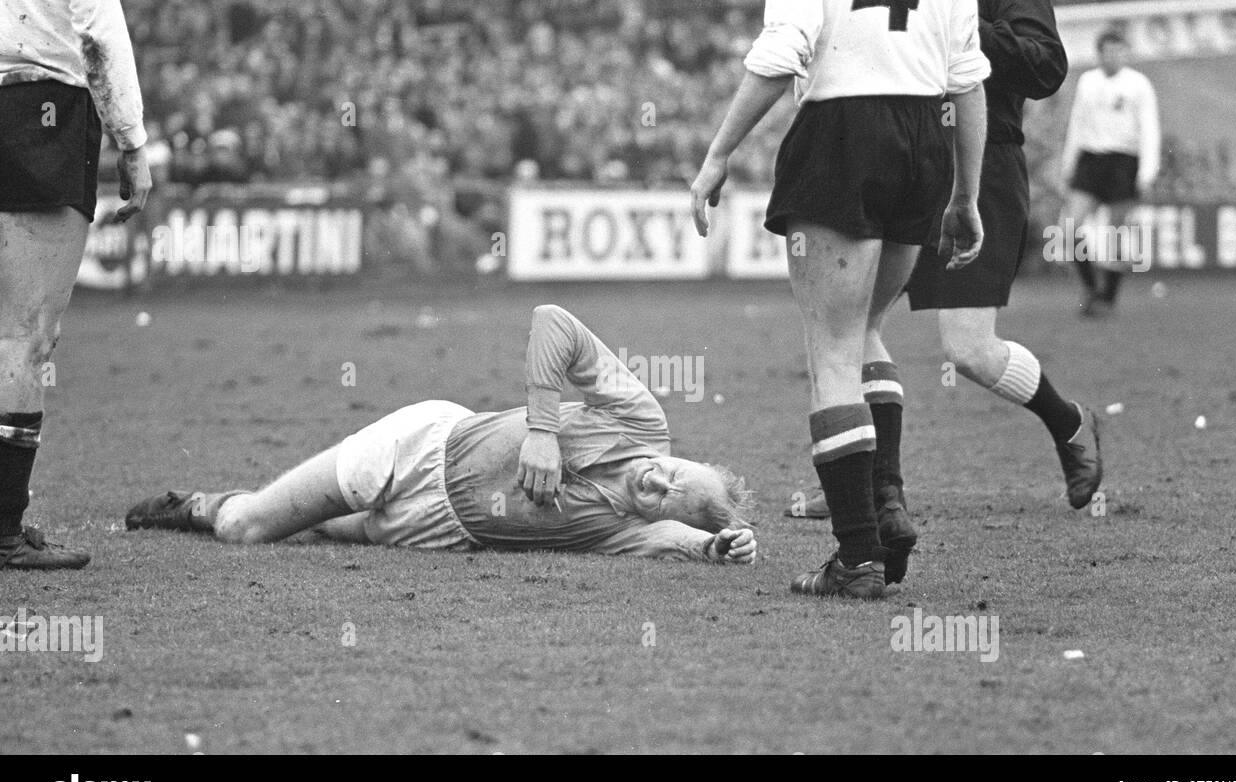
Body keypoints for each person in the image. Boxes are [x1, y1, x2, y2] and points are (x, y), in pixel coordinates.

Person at [784, 0, 1102, 590]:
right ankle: (882, 499)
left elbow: (1046, 65)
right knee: (856, 330)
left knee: (969, 348)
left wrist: (956, 29)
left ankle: (1070, 422)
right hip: (907, 148)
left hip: (981, 161)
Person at [691, 0, 990, 598]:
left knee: (832, 352)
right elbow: (968, 81)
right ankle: (886, 504)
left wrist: (718, 154)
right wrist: (966, 197)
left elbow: (780, 55)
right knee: (867, 329)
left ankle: (857, 556)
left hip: (843, 135)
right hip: (925, 141)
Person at [125, 305, 758, 565]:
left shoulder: (640, 532)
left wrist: (723, 547)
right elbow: (553, 323)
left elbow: (687, 541)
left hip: (441, 531)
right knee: (249, 531)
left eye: (666, 491)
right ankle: (201, 507)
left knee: (317, 529)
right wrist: (543, 431)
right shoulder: (643, 423)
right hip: (422, 446)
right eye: (676, 467)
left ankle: (272, 503)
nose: (659, 475)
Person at [0, 0, 152, 570]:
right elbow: (97, 26)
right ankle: (3, 530)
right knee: (23, 333)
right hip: (39, 107)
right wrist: (132, 141)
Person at [1060, 29, 1160, 316]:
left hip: (1122, 162)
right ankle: (1091, 287)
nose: (1114, 56)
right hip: (1091, 160)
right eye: (1108, 51)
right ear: (1099, 53)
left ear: (1126, 53)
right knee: (1070, 228)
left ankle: (1108, 297)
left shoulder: (1138, 84)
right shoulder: (1087, 82)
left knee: (1116, 232)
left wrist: (1146, 173)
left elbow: (1149, 129)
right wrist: (1069, 165)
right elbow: (1076, 125)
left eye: (1119, 51)